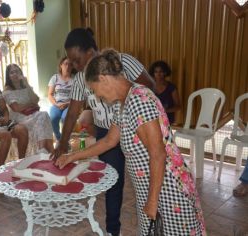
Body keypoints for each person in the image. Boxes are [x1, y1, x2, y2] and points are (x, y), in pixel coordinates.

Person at [55, 50, 206, 235]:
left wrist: (152, 201)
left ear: (103, 78)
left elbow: (158, 154)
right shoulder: (123, 102)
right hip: (150, 188)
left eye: (95, 90)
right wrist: (72, 156)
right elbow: (109, 141)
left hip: (166, 191)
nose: (97, 96)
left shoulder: (139, 101)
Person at [51, 28, 155, 236]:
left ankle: (155, 222)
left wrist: (130, 104)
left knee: (148, 180)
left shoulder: (123, 62)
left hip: (139, 131)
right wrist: (63, 143)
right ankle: (112, 231)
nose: (75, 66)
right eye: (71, 62)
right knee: (113, 182)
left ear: (91, 51)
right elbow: (72, 113)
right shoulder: (81, 78)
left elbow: (150, 87)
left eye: (77, 60)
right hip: (108, 133)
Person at [3, 64, 54, 154]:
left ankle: (44, 150)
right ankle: (46, 150)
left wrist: (26, 83)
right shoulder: (8, 91)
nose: (15, 74)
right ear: (8, 76)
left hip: (32, 115)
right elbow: (16, 108)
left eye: (17, 71)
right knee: (43, 116)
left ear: (21, 73)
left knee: (44, 115)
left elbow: (36, 100)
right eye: (12, 72)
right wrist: (30, 104)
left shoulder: (25, 87)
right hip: (19, 118)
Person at [48, 56, 74, 142]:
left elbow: (76, 98)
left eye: (70, 65)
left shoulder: (74, 80)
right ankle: (59, 138)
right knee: (53, 118)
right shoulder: (55, 78)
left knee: (65, 118)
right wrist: (56, 104)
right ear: (61, 65)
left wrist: (66, 104)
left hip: (69, 105)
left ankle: (65, 139)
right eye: (65, 64)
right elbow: (50, 94)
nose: (68, 66)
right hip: (57, 104)